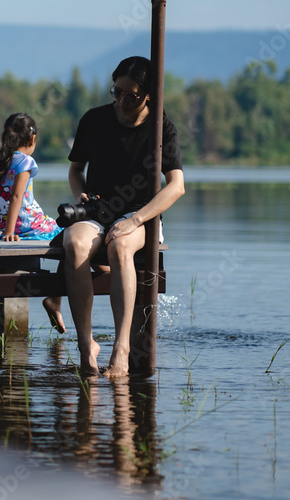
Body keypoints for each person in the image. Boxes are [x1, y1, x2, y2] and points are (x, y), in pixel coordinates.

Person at [46, 56, 184, 377]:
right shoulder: (94, 120)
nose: (122, 101)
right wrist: (80, 194)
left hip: (141, 215)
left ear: (148, 94)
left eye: (131, 95)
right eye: (116, 92)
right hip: (97, 210)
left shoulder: (162, 129)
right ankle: (86, 346)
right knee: (75, 243)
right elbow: (76, 170)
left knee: (120, 246)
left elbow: (176, 187)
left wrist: (136, 220)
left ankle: (121, 349)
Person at [0, 112, 61, 242]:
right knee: (66, 229)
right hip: (31, 226)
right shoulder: (26, 161)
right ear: (32, 139)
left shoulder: (0, 162)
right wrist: (10, 233)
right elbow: (16, 196)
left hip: (7, 227)